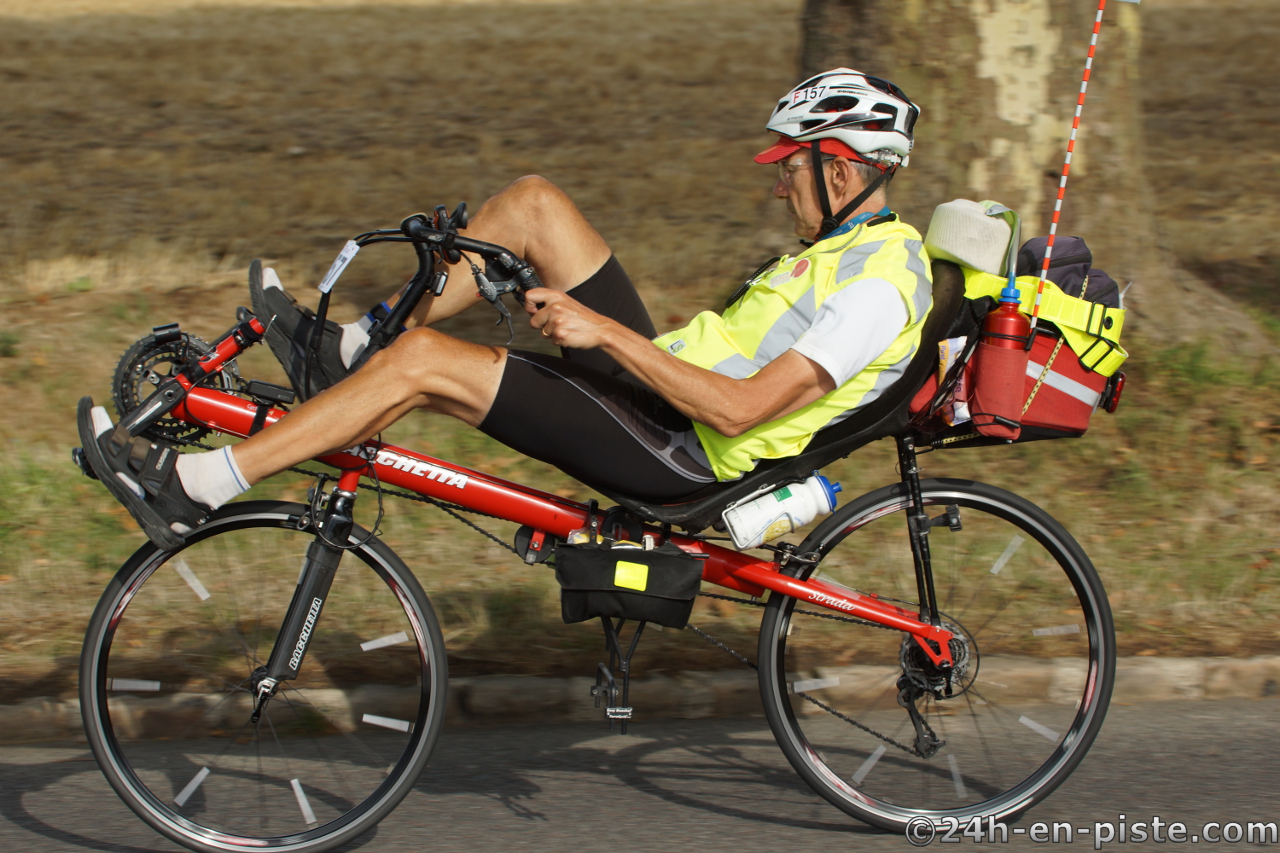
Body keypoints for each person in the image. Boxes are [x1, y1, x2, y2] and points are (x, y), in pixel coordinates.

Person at [78, 68, 933, 550]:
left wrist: (599, 330)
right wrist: (613, 339)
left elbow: (742, 407)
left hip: (689, 450)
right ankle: (354, 347)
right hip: (662, 390)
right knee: (532, 205)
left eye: (790, 165)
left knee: (422, 371)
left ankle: (201, 486)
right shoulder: (840, 251)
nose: (778, 179)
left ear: (844, 171)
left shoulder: (875, 286)